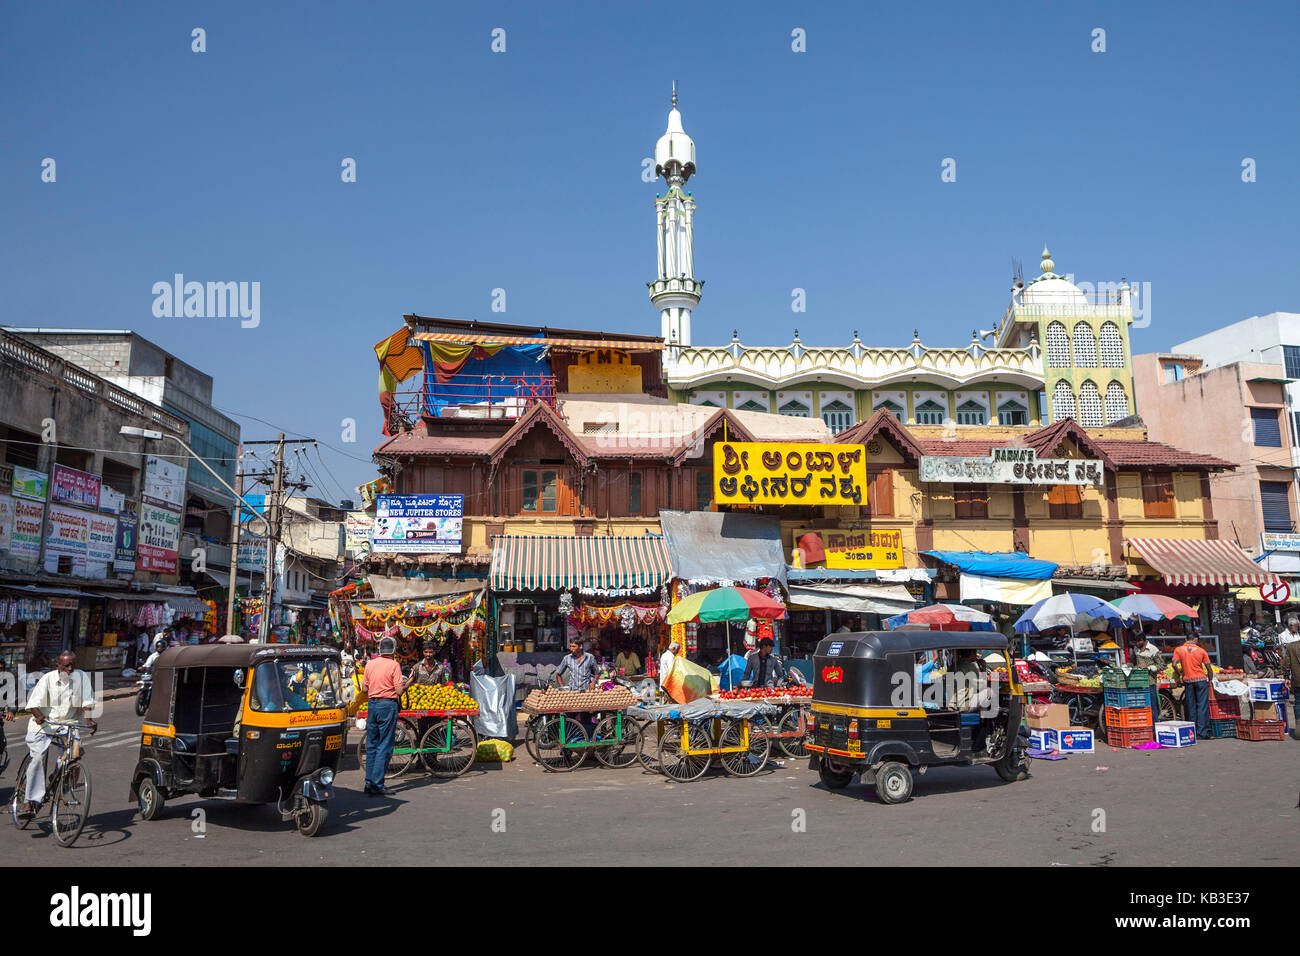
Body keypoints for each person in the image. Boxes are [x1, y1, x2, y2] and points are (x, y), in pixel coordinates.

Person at [20, 651, 96, 817]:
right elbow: (33, 704)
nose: (70, 669)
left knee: (74, 754)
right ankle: (29, 801)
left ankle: (56, 777)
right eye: (66, 665)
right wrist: (39, 716)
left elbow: (87, 702)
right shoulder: (47, 679)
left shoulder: (81, 677)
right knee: (38, 758)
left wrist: (89, 720)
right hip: (44, 724)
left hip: (68, 723)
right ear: (58, 666)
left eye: (72, 665)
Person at [361, 636, 412, 796]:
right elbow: (399, 691)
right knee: (384, 745)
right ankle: (377, 784)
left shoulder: (370, 664)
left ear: (380, 649)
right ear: (394, 650)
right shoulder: (394, 665)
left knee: (372, 745)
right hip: (387, 705)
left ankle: (369, 782)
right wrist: (408, 682)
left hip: (372, 705)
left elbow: (364, 689)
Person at [1172, 634, 1213, 739]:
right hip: (1201, 680)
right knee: (1202, 706)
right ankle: (1202, 732)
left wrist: (1180, 674)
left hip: (1188, 681)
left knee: (1191, 706)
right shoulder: (1201, 650)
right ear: (1196, 640)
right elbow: (1209, 667)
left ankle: (1192, 731)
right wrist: (1210, 678)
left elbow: (1174, 664)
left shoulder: (1178, 649)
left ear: (1185, 639)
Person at [1279, 635, 1300, 739]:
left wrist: (1286, 677)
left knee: (1298, 702)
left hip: (1298, 680)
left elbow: (1286, 663)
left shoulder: (1291, 646)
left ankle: (1299, 724)